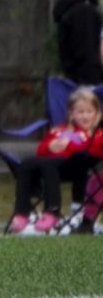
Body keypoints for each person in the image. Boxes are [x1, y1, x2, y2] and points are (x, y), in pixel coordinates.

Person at [7, 85, 103, 235]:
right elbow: (41, 149)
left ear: (97, 113)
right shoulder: (60, 130)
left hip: (77, 167)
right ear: (71, 114)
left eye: (90, 112)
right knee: (27, 163)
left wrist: (70, 144)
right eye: (80, 112)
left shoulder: (97, 134)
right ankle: (22, 212)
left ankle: (52, 210)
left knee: (47, 164)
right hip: (53, 167)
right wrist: (51, 146)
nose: (85, 116)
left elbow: (93, 151)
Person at [53, 0, 103, 86]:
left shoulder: (79, 9)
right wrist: (91, 90)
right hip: (87, 88)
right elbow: (86, 56)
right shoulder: (83, 13)